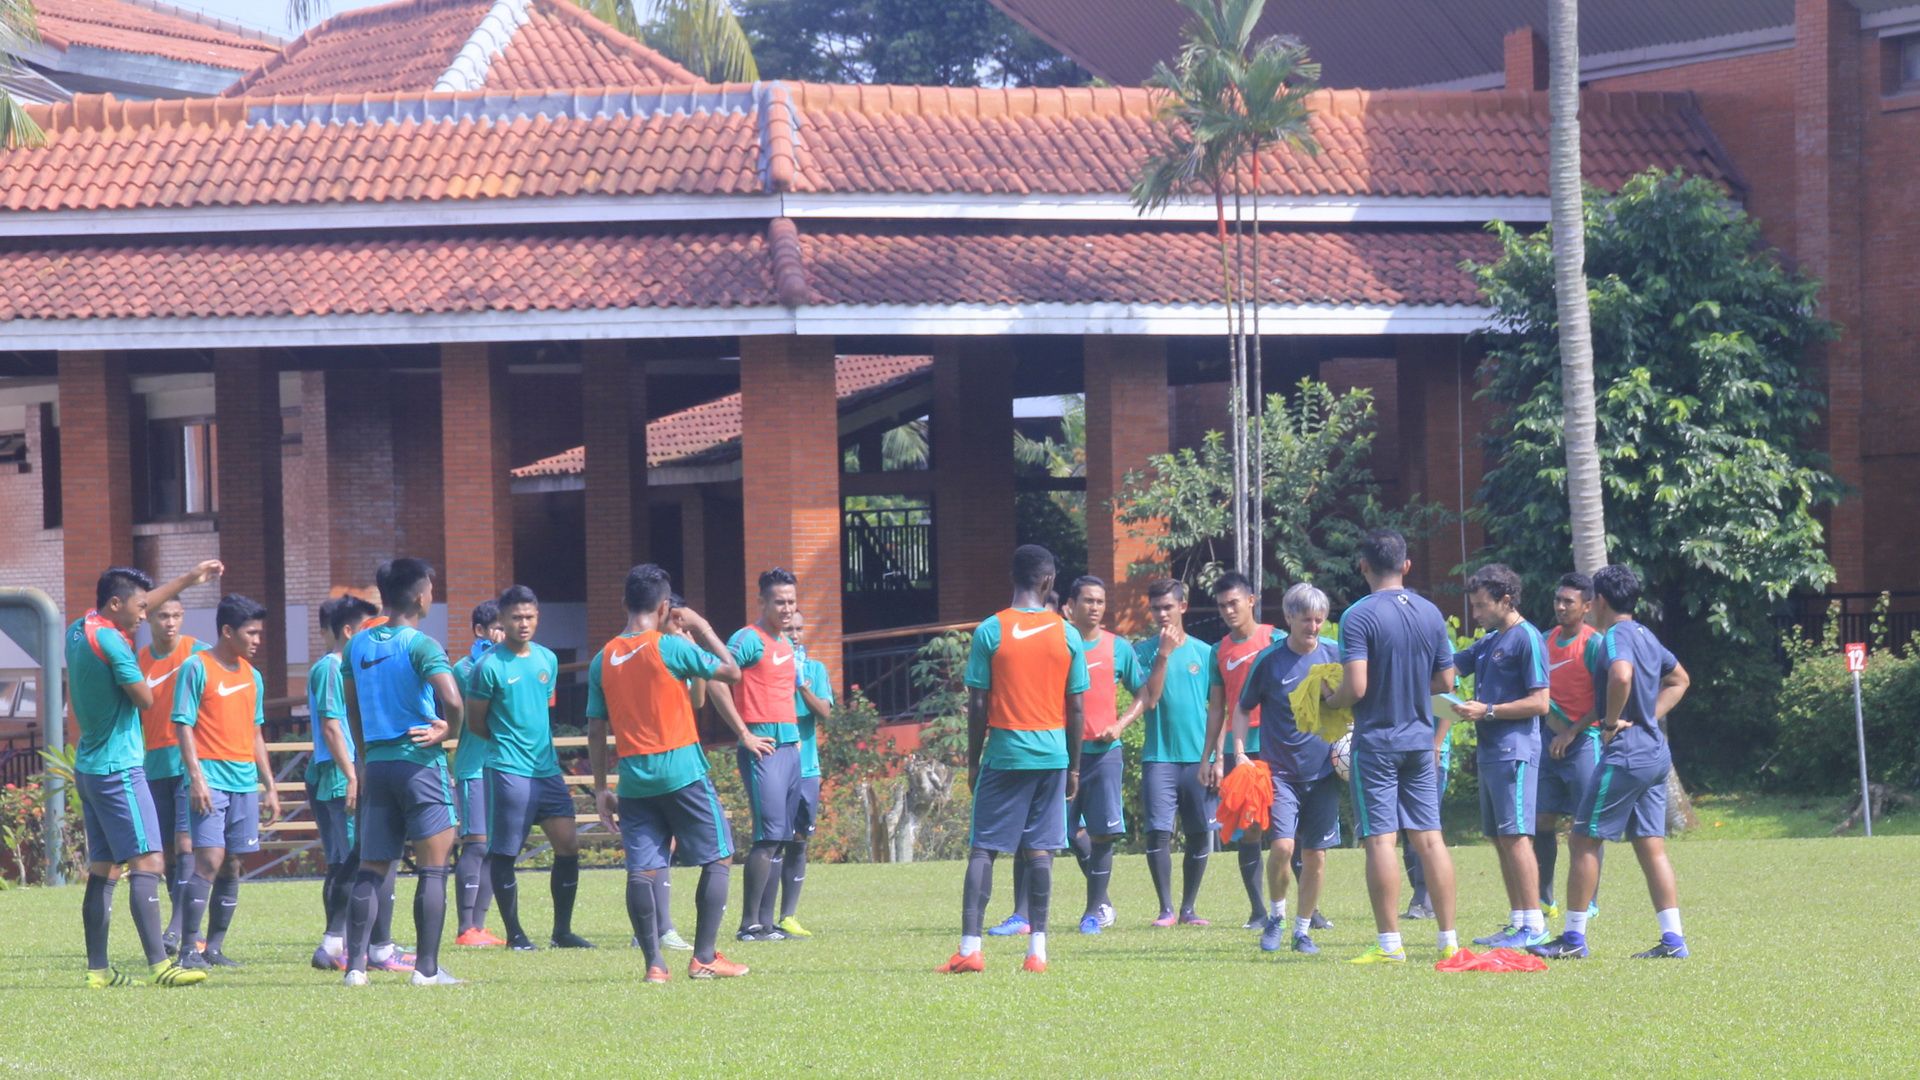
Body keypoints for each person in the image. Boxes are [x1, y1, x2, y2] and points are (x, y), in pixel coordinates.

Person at [589, 564, 766, 981]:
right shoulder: (669, 647)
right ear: (666, 606)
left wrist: (601, 790)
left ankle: (654, 964)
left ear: (624, 603)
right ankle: (704, 957)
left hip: (632, 778)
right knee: (719, 855)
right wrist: (701, 626)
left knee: (642, 870)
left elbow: (596, 729)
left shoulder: (603, 657)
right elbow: (732, 671)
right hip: (683, 771)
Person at [70, 560, 222, 988]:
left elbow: (139, 604)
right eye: (140, 607)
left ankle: (98, 971)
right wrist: (163, 677)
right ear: (117, 604)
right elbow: (144, 699)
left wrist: (191, 578)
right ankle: (160, 965)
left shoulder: (81, 627)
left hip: (89, 766)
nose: (146, 614)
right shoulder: (117, 646)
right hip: (119, 768)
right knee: (149, 861)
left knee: (104, 869)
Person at [1533, 565, 1692, 960]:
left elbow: (1620, 676)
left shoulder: (1616, 636)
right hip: (1655, 753)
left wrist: (1608, 723)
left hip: (1627, 754)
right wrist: (1649, 717)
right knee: (1650, 844)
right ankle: (1673, 941)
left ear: (1599, 602)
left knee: (1584, 837)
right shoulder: (1645, 634)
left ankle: (1572, 940)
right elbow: (1680, 679)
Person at [940, 544, 1087, 974]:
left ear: (1014, 577)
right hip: (1052, 757)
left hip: (1005, 754)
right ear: (1048, 581)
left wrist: (972, 761)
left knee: (984, 849)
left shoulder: (991, 630)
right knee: (1040, 852)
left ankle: (970, 949)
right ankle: (1037, 953)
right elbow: (1076, 707)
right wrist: (1074, 766)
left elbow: (978, 704)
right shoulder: (1067, 634)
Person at [1324, 529, 1460, 963]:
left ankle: (1390, 945)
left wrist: (1332, 701)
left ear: (1363, 565)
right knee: (1431, 841)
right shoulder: (1431, 613)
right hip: (1421, 741)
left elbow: (1357, 686)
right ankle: (1449, 941)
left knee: (1381, 842)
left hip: (1378, 741)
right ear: (1406, 565)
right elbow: (1447, 683)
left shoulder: (1358, 616)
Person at [341, 557, 465, 986]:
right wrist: (449, 730)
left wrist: (361, 754)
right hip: (418, 764)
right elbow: (453, 698)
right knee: (433, 867)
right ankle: (426, 970)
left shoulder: (357, 644)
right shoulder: (421, 644)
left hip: (376, 765)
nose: (433, 594)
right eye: (431, 587)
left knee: (371, 868)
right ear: (418, 595)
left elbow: (351, 705)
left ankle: (355, 968)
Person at [467, 585, 590, 950]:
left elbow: (540, 709)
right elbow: (476, 723)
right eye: (516, 617)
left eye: (530, 616)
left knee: (568, 846)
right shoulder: (488, 666)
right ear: (502, 620)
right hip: (508, 769)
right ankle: (516, 936)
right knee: (506, 851)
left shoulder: (547, 660)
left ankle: (562, 932)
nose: (524, 623)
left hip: (547, 771)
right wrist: (509, 746)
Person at [1233, 583, 1342, 955]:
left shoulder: (1333, 656)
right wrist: (1237, 751)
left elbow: (1352, 705)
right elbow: (1243, 707)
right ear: (1289, 617)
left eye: (1319, 619)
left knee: (1316, 855)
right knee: (1281, 847)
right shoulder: (1269, 661)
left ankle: (1302, 930)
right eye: (1306, 619)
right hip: (1279, 773)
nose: (1313, 626)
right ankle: (1277, 917)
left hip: (1323, 773)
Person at [170, 594, 279, 968]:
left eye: (259, 633)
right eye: (251, 633)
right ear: (227, 631)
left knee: (232, 864)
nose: (257, 640)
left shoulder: (253, 677)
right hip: (210, 778)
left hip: (244, 783)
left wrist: (269, 785)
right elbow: (182, 726)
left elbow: (255, 735)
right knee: (209, 859)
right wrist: (196, 778)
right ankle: (188, 948)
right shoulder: (196, 667)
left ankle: (214, 948)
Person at [1447, 564, 1551, 950]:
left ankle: (1535, 924)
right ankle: (1517, 920)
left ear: (1505, 600)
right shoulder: (1491, 641)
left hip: (1515, 751)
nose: (1475, 614)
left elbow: (1541, 702)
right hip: (1491, 753)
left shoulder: (1527, 638)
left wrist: (1487, 710)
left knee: (1517, 836)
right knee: (1498, 837)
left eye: (1480, 606)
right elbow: (1450, 666)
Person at [1058, 576, 1143, 935]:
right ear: (1071, 605)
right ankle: (1104, 899)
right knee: (1062, 832)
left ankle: (1093, 912)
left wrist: (1121, 724)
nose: (1095, 608)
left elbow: (1144, 694)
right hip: (1061, 755)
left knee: (1103, 834)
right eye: (1088, 601)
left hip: (1105, 754)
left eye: (1100, 602)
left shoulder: (1118, 647)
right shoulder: (1058, 643)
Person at [726, 569, 806, 942]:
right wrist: (744, 734)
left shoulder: (786, 644)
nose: (787, 608)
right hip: (764, 748)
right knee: (767, 835)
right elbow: (715, 678)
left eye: (791, 601)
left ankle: (768, 923)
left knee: (784, 836)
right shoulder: (748, 639)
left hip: (789, 748)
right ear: (762, 602)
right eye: (779, 601)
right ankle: (749, 925)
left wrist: (795, 739)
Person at [1200, 571, 1282, 928]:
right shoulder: (1219, 651)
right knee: (1249, 828)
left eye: (1234, 603)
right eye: (1222, 606)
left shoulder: (1275, 639)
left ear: (1251, 600)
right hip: (1241, 750)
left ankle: (1310, 910)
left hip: (1280, 744)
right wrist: (1212, 756)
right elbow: (1218, 709)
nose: (1228, 610)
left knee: (1287, 828)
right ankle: (1257, 911)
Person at [1135, 578, 1216, 927]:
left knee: (1200, 832)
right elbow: (1150, 699)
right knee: (1158, 832)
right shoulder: (1143, 652)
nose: (1161, 614)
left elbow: (1219, 709)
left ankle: (1189, 909)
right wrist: (1163, 655)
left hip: (1199, 759)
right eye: (1155, 608)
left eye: (1168, 607)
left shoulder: (1205, 652)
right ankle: (1165, 908)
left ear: (1183, 606)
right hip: (1160, 757)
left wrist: (1216, 757)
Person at [135, 595, 209, 956]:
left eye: (177, 616)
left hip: (185, 764)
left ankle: (178, 929)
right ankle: (183, 930)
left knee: (185, 844)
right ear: (150, 619)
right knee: (165, 853)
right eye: (164, 616)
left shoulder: (198, 654)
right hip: (151, 766)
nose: (171, 623)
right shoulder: (140, 660)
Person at [307, 595, 377, 971]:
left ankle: (337, 946)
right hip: (339, 773)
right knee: (354, 862)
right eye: (367, 630)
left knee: (343, 862)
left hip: (340, 771)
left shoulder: (345, 668)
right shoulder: (332, 668)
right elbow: (332, 726)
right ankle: (345, 945)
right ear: (348, 631)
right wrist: (352, 774)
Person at [1534, 572, 1603, 921]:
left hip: (1583, 742)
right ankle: (1544, 898)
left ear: (1587, 607)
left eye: (1568, 602)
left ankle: (1588, 900)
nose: (1560, 606)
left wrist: (1572, 732)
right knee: (1541, 819)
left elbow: (1605, 699)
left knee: (1584, 826)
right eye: (1558, 600)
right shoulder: (1544, 640)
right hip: (1547, 743)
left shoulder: (1594, 644)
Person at [768, 609, 834, 939]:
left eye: (798, 629)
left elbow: (824, 712)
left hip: (808, 769)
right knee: (773, 839)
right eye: (788, 629)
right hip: (777, 764)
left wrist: (801, 684)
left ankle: (788, 915)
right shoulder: (767, 669)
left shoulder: (815, 670)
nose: (795, 634)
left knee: (798, 840)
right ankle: (761, 918)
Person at [451, 601, 506, 948]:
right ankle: (464, 926)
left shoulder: (507, 664)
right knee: (476, 845)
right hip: (473, 768)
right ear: (480, 631)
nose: (505, 633)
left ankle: (480, 926)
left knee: (493, 847)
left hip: (500, 768)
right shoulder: (465, 668)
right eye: (498, 627)